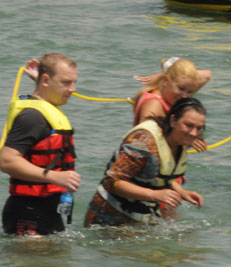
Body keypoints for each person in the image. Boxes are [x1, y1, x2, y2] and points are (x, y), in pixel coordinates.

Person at [85, 97, 206, 227]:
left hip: (141, 217)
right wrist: (154, 194)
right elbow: (112, 182)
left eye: (199, 128)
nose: (194, 133)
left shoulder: (180, 143)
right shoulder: (143, 142)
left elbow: (160, 176)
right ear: (172, 121)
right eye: (188, 125)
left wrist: (182, 192)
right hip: (108, 218)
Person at [0, 53, 80, 236]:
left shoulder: (48, 109)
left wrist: (45, 82)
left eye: (74, 82)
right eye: (66, 83)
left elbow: (45, 91)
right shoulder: (31, 117)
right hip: (27, 212)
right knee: (34, 265)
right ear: (45, 80)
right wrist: (54, 177)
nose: (73, 89)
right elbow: (8, 162)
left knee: (56, 263)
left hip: (50, 208)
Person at [132, 57, 210, 151]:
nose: (184, 96)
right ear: (166, 81)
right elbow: (145, 141)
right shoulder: (154, 104)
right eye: (181, 88)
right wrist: (188, 137)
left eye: (190, 92)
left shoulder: (174, 98)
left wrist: (164, 72)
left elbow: (207, 75)